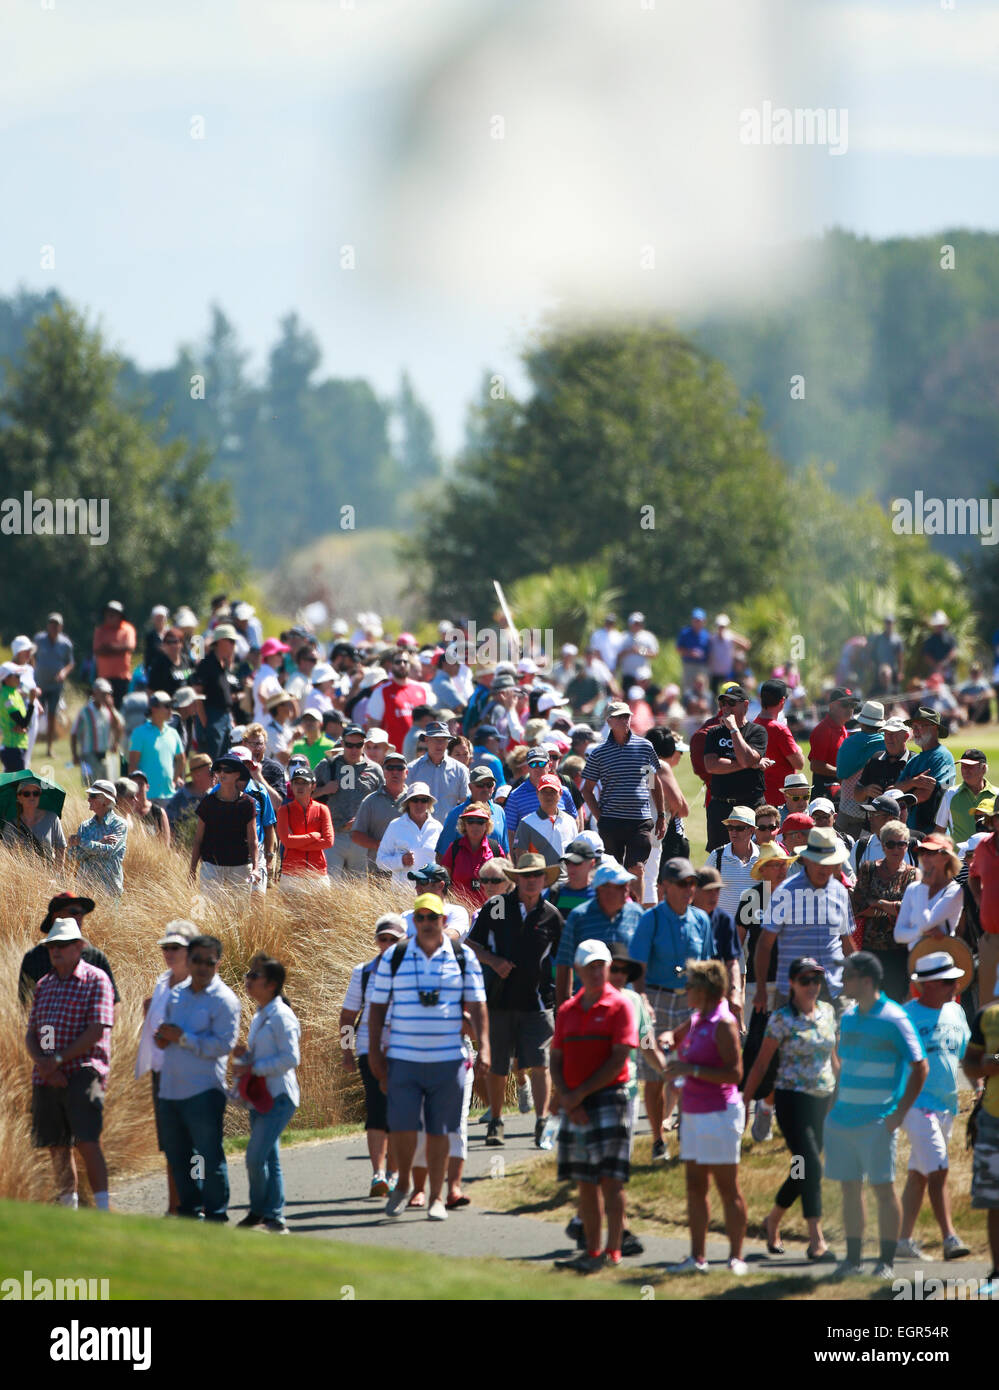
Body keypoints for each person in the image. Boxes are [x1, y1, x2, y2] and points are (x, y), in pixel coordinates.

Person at [366, 895, 489, 1222]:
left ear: (443, 921)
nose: (426, 923)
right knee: (405, 1128)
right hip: (403, 1058)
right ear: (414, 922)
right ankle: (404, 1181)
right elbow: (377, 1008)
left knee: (440, 1130)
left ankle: (436, 1196)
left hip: (448, 1059)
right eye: (420, 917)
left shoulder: (463, 957)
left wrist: (486, 1047)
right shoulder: (395, 956)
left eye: (432, 917)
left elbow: (478, 1005)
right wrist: (375, 1053)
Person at [824, 952, 928, 1279]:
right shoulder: (849, 1017)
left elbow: (920, 1067)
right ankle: (853, 1260)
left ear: (866, 981)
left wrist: (898, 1114)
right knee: (849, 1190)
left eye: (848, 976)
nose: (842, 982)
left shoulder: (895, 1018)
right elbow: (843, 1068)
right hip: (843, 1120)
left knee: (883, 1190)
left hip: (877, 1122)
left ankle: (885, 1263)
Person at [550, 940, 639, 1273]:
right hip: (576, 1101)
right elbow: (556, 1059)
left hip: (609, 1099)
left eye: (602, 964)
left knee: (611, 1180)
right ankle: (592, 1249)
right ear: (578, 971)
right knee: (585, 1181)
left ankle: (614, 1250)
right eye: (591, 966)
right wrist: (568, 1097)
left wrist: (578, 1094)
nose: (598, 971)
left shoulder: (619, 1006)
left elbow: (618, 1059)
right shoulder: (567, 1011)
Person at [743, 957, 839, 1260]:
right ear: (792, 984)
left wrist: (843, 1096)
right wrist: (744, 1100)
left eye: (816, 980)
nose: (812, 986)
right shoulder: (781, 1018)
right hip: (791, 1101)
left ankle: (772, 1220)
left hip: (823, 1101)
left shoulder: (828, 1012)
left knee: (802, 1168)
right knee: (811, 1165)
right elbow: (761, 1064)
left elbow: (833, 1059)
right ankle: (816, 1239)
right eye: (805, 980)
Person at [466, 852, 563, 1148]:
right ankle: (496, 1121)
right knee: (497, 1065)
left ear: (545, 880)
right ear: (516, 879)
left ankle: (542, 1121)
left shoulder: (551, 915)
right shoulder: (496, 907)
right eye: (526, 876)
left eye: (537, 876)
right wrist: (494, 961)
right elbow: (471, 943)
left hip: (538, 1001)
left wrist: (563, 997)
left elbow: (562, 957)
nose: (532, 881)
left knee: (540, 1063)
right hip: (499, 1000)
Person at [629, 857, 719, 1161]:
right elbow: (637, 968)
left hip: (691, 1004)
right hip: (655, 1001)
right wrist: (642, 1002)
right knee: (654, 1075)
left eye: (692, 883)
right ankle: (657, 1138)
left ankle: (686, 1133)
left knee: (689, 1071)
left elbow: (708, 966)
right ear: (664, 886)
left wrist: (710, 1008)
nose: (688, 889)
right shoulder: (650, 920)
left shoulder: (701, 920)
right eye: (682, 883)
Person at [24, 917, 116, 1210]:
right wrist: (43, 1064)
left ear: (79, 947)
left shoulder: (96, 979)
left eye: (63, 945)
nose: (56, 950)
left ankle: (102, 1208)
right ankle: (68, 1207)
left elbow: (97, 1029)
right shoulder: (45, 985)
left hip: (84, 1072)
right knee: (57, 1144)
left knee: (88, 1140)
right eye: (53, 945)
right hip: (48, 1075)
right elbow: (33, 1032)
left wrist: (58, 1061)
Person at [665, 958, 748, 1275]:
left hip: (720, 1114)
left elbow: (734, 1073)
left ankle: (736, 1258)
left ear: (705, 989)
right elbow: (682, 1054)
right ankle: (697, 1258)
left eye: (690, 986)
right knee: (694, 1187)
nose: (685, 990)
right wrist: (678, 1075)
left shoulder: (724, 1023)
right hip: (693, 1113)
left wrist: (691, 1070)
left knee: (729, 1189)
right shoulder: (697, 1018)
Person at [154, 934, 241, 1222]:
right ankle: (190, 1210)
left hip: (203, 1090)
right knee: (179, 1156)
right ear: (188, 961)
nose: (203, 967)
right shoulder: (176, 996)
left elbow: (223, 1045)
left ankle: (215, 1212)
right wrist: (164, 1039)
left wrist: (183, 1038)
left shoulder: (225, 1000)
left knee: (207, 1156)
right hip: (170, 1089)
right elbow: (168, 1034)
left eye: (209, 961)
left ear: (218, 963)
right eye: (197, 960)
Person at [896, 952, 971, 1260]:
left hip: (946, 1104)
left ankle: (901, 1241)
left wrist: (978, 1086)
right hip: (915, 1103)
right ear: (926, 985)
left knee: (920, 1173)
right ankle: (950, 1238)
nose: (954, 986)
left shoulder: (957, 1012)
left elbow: (964, 1053)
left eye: (955, 981)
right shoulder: (905, 1016)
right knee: (939, 1166)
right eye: (947, 981)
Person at [755, 827, 858, 1016]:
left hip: (834, 989)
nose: (825, 868)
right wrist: (761, 989)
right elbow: (764, 945)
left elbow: (846, 942)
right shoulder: (785, 892)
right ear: (807, 859)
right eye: (820, 863)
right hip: (792, 991)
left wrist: (859, 975)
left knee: (840, 1044)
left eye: (830, 863)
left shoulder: (840, 892)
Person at [232, 955, 301, 1234]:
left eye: (254, 976)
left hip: (279, 1096)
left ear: (271, 984)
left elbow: (291, 1058)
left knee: (255, 1156)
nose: (248, 980)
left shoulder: (282, 1016)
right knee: (268, 1157)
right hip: (261, 1096)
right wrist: (246, 1056)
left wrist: (255, 1067)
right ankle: (268, 1214)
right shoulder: (262, 1013)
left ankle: (265, 1212)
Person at [340, 916, 407, 1197]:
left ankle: (394, 1172)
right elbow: (348, 1015)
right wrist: (346, 1051)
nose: (388, 944)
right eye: (383, 939)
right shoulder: (363, 972)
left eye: (394, 939)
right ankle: (378, 1174)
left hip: (405, 1048)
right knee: (377, 1108)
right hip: (370, 1046)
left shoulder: (413, 971)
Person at [135, 920, 196, 1215]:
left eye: (176, 948)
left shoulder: (198, 987)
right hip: (162, 1073)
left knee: (193, 1146)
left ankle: (195, 1206)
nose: (169, 953)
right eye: (166, 947)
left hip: (189, 1074)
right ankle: (175, 1208)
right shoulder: (163, 982)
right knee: (171, 1147)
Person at [580, 701, 666, 891]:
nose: (624, 720)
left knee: (637, 869)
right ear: (609, 721)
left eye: (627, 716)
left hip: (640, 820)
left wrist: (661, 815)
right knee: (613, 871)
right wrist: (599, 817)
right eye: (619, 717)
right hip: (611, 821)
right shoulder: (599, 753)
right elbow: (587, 789)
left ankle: (635, 913)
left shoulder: (644, 747)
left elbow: (653, 783)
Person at [555, 861, 644, 1006]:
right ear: (601, 889)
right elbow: (564, 964)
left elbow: (642, 962)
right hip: (588, 1006)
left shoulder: (636, 914)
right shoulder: (579, 917)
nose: (626, 891)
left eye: (626, 885)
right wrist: (563, 1008)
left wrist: (642, 999)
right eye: (621, 886)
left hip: (627, 1003)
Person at [850, 820, 919, 1002]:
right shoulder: (868, 869)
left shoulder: (913, 875)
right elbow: (858, 907)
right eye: (891, 844)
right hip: (869, 950)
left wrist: (878, 902)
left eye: (902, 844)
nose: (896, 849)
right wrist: (892, 908)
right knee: (866, 1002)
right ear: (882, 845)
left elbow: (910, 911)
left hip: (899, 952)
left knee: (895, 1002)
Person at [17, 891, 119, 1008]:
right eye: (74, 912)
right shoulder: (34, 957)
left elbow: (114, 1001)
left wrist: (103, 1025)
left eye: (82, 913)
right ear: (56, 916)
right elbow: (25, 1005)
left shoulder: (95, 956)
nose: (80, 917)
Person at [963, 977, 999, 1297]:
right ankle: (998, 1273)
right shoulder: (987, 1016)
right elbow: (970, 1066)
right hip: (993, 1119)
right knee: (994, 1200)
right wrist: (987, 1066)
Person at [702, 685, 770, 852]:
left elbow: (746, 758)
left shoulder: (757, 732)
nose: (726, 707)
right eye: (723, 703)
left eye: (731, 703)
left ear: (745, 705)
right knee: (719, 856)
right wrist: (749, 764)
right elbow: (711, 766)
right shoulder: (714, 733)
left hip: (751, 805)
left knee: (758, 855)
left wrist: (733, 730)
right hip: (721, 807)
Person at [315, 723, 384, 876]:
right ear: (342, 743)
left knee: (358, 890)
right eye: (349, 745)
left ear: (364, 744)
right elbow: (305, 794)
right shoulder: (328, 765)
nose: (354, 750)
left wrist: (364, 819)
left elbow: (382, 801)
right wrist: (324, 790)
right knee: (331, 889)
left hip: (362, 838)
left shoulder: (374, 769)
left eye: (358, 745)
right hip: (333, 835)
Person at [189, 755, 260, 894]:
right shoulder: (207, 803)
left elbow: (253, 840)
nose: (222, 773)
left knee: (239, 913)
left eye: (227, 770)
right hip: (211, 867)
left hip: (241, 867)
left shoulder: (248, 803)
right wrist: (192, 870)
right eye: (219, 770)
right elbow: (198, 839)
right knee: (210, 911)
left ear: (237, 774)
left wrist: (256, 868)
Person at [894, 832, 964, 956]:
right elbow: (899, 935)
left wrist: (924, 887)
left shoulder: (954, 891)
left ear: (946, 858)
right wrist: (920, 932)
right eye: (922, 852)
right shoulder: (913, 888)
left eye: (931, 853)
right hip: (915, 963)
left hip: (942, 964)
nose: (924, 857)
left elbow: (924, 924)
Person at [895, 707, 956, 837]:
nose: (915, 731)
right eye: (914, 727)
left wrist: (904, 794)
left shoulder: (943, 756)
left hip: (934, 833)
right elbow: (893, 791)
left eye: (920, 726)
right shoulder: (915, 760)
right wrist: (914, 782)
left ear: (934, 727)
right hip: (911, 832)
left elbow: (926, 793)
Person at [350, 749, 408, 876]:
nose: (395, 772)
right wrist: (379, 845)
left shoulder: (415, 800)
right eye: (390, 767)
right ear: (383, 772)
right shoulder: (370, 801)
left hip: (408, 869)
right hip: (378, 869)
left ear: (406, 772)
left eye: (399, 768)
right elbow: (356, 835)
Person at [275, 764, 334, 886]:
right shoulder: (284, 810)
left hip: (317, 872)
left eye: (305, 783)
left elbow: (328, 841)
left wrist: (296, 844)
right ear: (291, 785)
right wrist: (313, 836)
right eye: (296, 783)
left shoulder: (322, 809)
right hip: (291, 873)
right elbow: (287, 842)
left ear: (313, 786)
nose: (300, 787)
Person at [835, 700, 886, 839]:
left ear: (861, 722)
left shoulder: (848, 743)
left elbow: (840, 774)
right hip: (873, 812)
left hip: (846, 808)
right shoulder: (885, 744)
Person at [504, 747, 578, 843]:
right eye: (533, 764)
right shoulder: (515, 796)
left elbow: (574, 821)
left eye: (542, 763)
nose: (537, 768)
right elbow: (510, 832)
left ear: (550, 765)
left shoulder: (563, 791)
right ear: (527, 767)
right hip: (532, 855)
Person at [67, 780, 128, 896]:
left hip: (110, 891)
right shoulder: (84, 826)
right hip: (84, 890)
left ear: (107, 800)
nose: (89, 799)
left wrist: (82, 842)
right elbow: (73, 855)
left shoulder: (120, 825)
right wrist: (99, 843)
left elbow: (109, 851)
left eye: (93, 796)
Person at [376, 781, 443, 885]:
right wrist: (401, 861)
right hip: (402, 893)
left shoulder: (437, 827)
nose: (419, 804)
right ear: (408, 803)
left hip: (430, 892)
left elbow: (443, 861)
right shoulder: (395, 825)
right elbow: (380, 861)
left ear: (428, 803)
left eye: (423, 800)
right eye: (415, 800)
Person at [754, 678, 805, 811]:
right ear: (782, 701)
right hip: (780, 800)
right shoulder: (780, 729)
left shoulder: (754, 724)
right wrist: (798, 747)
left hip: (759, 797)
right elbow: (799, 763)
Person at [190, 623, 239, 760]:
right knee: (211, 762)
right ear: (220, 642)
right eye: (231, 641)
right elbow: (197, 694)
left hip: (223, 718)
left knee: (223, 761)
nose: (233, 645)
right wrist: (205, 723)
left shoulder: (221, 664)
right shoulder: (207, 664)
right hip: (212, 717)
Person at [437, 804, 501, 909]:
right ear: (464, 825)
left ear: (487, 825)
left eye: (480, 821)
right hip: (460, 911)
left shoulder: (495, 849)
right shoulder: (454, 848)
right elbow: (444, 882)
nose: (475, 826)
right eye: (470, 821)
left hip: (491, 910)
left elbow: (505, 883)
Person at [128, 691, 185, 804]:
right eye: (167, 706)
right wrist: (136, 792)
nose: (170, 710)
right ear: (154, 709)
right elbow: (133, 765)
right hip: (146, 797)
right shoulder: (139, 732)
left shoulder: (173, 733)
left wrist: (173, 781)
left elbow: (181, 760)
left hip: (169, 795)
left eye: (171, 706)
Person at [513, 772, 580, 867]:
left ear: (560, 793)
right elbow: (520, 855)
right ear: (537, 793)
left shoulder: (570, 821)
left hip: (566, 879)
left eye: (553, 791)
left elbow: (574, 853)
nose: (548, 796)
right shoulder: (526, 823)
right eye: (544, 791)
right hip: (539, 878)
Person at [1, 775, 66, 870]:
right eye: (26, 794)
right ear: (19, 798)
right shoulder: (11, 825)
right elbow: (7, 855)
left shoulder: (52, 818)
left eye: (36, 793)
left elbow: (61, 848)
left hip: (48, 877)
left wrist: (56, 875)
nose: (32, 797)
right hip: (22, 876)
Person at [33, 612, 74, 759]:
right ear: (47, 625)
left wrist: (63, 672)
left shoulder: (65, 643)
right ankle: (30, 745)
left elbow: (70, 663)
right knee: (35, 714)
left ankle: (49, 748)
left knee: (51, 716)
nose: (53, 627)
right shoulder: (39, 640)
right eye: (51, 624)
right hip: (39, 685)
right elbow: (32, 657)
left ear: (61, 627)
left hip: (56, 686)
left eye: (56, 624)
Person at [936, 748, 997, 845]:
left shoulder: (997, 795)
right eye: (963, 766)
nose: (965, 770)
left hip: (990, 857)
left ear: (983, 768)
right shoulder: (951, 794)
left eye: (970, 766)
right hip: (959, 858)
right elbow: (939, 830)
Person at [970, 804, 999, 1009]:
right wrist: (981, 900)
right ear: (994, 821)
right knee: (987, 1008)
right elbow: (973, 877)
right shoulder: (983, 847)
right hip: (990, 938)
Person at [70, 678, 123, 789]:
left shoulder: (108, 710)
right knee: (91, 787)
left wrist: (116, 743)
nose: (105, 697)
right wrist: (74, 754)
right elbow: (74, 733)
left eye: (107, 694)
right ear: (95, 693)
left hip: (105, 755)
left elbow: (119, 726)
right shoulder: (85, 711)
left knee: (108, 787)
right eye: (102, 694)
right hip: (89, 755)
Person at [808, 687, 858, 800]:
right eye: (845, 704)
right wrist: (842, 772)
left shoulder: (842, 728)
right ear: (831, 706)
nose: (850, 709)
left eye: (853, 705)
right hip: (825, 794)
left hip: (838, 791)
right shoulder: (823, 730)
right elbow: (816, 765)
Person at [711, 806, 760, 917]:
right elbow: (701, 890)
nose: (733, 832)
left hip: (752, 932)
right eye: (730, 827)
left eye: (739, 828)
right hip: (723, 931)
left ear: (752, 830)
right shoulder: (716, 855)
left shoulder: (763, 857)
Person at [92, 600, 137, 708]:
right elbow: (98, 650)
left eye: (114, 612)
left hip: (121, 678)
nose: (111, 615)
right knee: (102, 708)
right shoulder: (100, 630)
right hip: (103, 678)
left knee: (120, 708)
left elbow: (129, 647)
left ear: (120, 615)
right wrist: (119, 648)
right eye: (108, 612)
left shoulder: (127, 629)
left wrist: (109, 647)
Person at [165, 752, 214, 832]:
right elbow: (169, 829)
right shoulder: (178, 800)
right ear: (197, 775)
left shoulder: (213, 796)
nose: (215, 776)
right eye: (211, 773)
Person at [0, 660, 31, 771]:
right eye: (16, 676)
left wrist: (25, 727)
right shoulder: (6, 697)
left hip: (20, 746)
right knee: (19, 785)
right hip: (11, 748)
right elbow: (23, 722)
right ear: (6, 678)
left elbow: (24, 723)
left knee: (12, 786)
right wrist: (32, 703)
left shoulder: (15, 693)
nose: (19, 679)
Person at [677, 607, 710, 694]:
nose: (697, 622)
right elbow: (678, 649)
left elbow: (709, 652)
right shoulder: (685, 633)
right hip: (689, 665)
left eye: (699, 620)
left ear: (704, 621)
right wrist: (690, 653)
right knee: (687, 689)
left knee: (703, 689)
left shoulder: (706, 634)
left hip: (702, 666)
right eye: (695, 620)